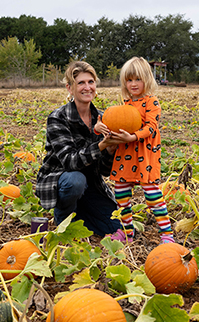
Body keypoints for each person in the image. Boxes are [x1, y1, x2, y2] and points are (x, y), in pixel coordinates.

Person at [36, 61, 123, 236]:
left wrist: (111, 151)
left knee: (117, 229)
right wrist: (101, 145)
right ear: (70, 88)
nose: (87, 87)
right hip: (63, 179)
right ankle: (63, 216)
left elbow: (104, 171)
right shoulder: (58, 118)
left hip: (91, 184)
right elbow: (70, 162)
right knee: (75, 181)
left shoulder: (103, 119)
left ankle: (80, 214)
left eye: (91, 82)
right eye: (81, 83)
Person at [94, 56, 174, 244]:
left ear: (146, 79)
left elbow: (152, 127)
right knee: (121, 195)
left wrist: (133, 137)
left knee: (153, 195)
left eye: (137, 79)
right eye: (129, 80)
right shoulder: (125, 104)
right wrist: (100, 127)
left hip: (144, 155)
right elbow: (115, 123)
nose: (133, 84)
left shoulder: (151, 102)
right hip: (125, 156)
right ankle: (127, 232)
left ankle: (167, 234)